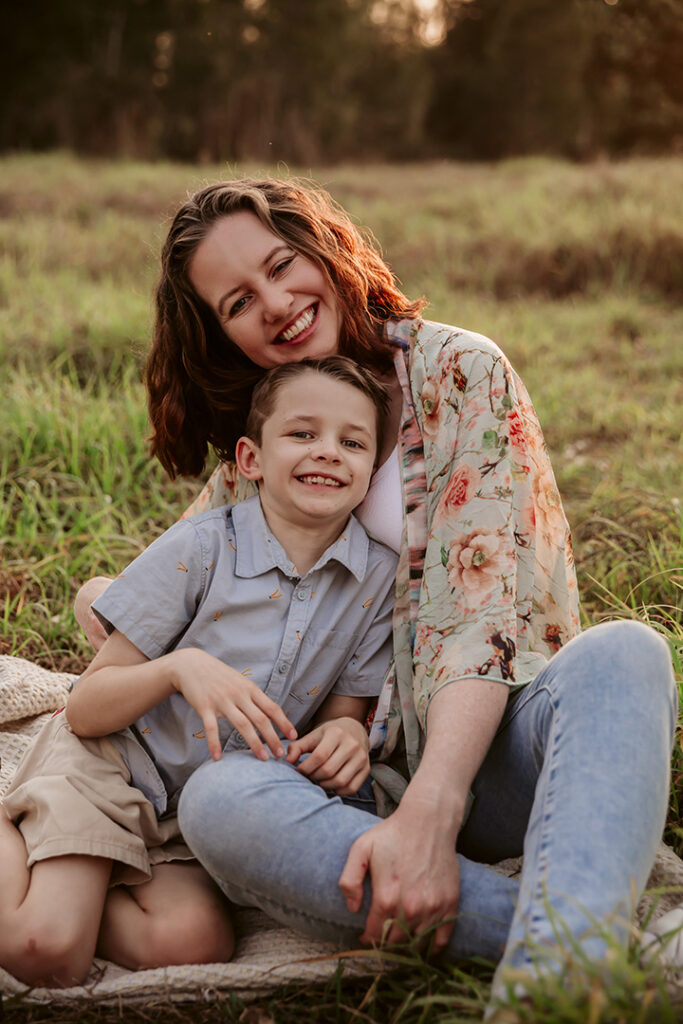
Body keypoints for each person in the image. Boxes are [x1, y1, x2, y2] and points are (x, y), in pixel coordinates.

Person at [75, 178, 677, 1010]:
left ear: (325, 248)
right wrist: (156, 644)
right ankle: (593, 947)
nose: (277, 303)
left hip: (493, 743)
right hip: (350, 787)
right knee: (218, 797)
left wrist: (431, 813)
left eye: (284, 266)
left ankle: (547, 979)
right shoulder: (270, 440)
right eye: (239, 301)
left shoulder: (460, 371)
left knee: (627, 653)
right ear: (223, 335)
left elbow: (485, 622)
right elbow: (141, 588)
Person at [1, 356, 397, 988]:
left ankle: (79, 869)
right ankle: (24, 832)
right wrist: (180, 667)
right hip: (110, 765)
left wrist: (348, 735)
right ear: (251, 458)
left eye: (352, 442)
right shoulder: (204, 548)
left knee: (193, 942)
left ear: (371, 471)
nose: (328, 452)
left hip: (192, 814)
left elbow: (344, 710)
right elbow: (85, 707)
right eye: (302, 434)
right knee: (46, 952)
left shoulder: (376, 580)